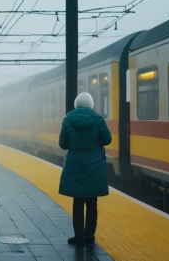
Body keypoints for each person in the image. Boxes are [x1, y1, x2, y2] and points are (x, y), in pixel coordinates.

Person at [58, 92, 112, 245]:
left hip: (75, 165)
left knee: (78, 202)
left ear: (76, 104)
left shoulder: (68, 120)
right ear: (91, 104)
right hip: (94, 166)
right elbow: (107, 140)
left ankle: (79, 237)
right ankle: (90, 236)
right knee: (92, 202)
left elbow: (63, 144)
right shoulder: (98, 120)